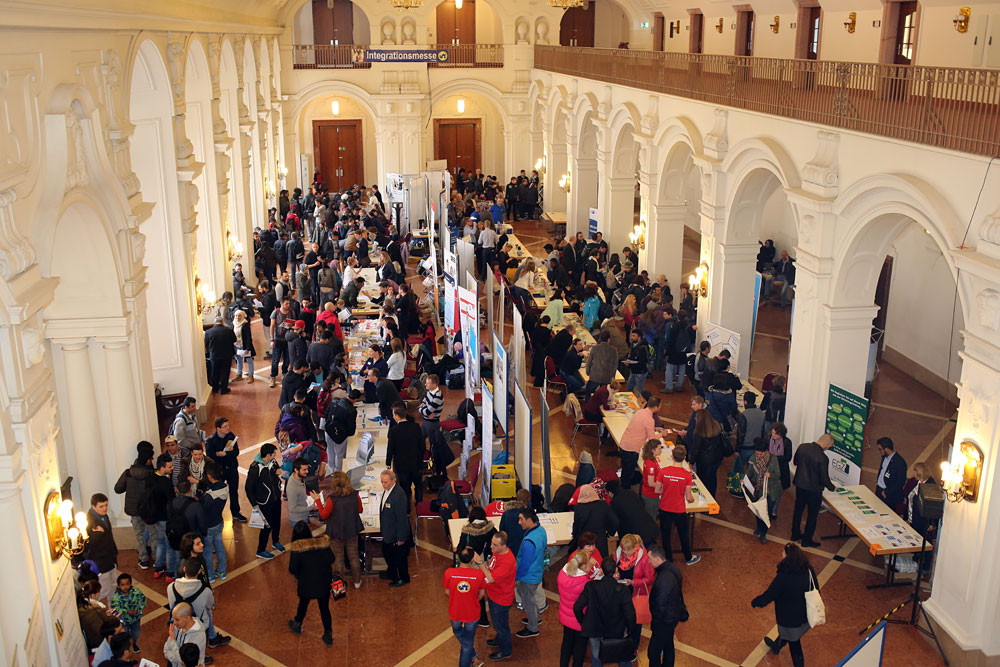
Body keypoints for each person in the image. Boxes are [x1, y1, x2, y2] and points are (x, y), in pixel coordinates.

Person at [751, 543, 818, 666]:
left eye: (783, 553)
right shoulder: (808, 569)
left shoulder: (784, 576)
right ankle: (777, 645)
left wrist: (756, 602)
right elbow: (816, 588)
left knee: (794, 643)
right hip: (805, 614)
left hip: (789, 618)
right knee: (789, 635)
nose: (781, 555)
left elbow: (770, 594)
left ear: (788, 557)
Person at [573, 557, 637, 667]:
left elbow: (577, 607)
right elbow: (630, 614)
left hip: (595, 629)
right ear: (616, 570)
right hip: (617, 629)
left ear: (601, 570)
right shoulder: (622, 590)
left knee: (596, 658)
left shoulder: (591, 586)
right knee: (622, 656)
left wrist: (583, 622)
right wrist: (630, 629)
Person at [286, 521, 334, 646]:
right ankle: (328, 633)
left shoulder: (297, 549)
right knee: (324, 609)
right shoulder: (322, 543)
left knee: (303, 604)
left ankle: (298, 623)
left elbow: (292, 569)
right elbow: (332, 559)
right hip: (323, 582)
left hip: (306, 584)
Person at [314, 471, 364, 589]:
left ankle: (339, 584)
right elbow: (360, 510)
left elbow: (323, 515)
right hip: (352, 531)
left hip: (336, 533)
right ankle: (357, 581)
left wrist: (317, 500)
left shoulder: (332, 499)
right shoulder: (355, 495)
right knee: (353, 557)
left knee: (338, 559)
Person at [167, 558, 230, 650]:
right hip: (198, 625)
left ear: (184, 569)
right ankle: (204, 653)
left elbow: (171, 605)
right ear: (199, 571)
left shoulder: (170, 587)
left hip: (178, 623)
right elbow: (209, 605)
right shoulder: (205, 591)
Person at [442, 546, 489, 667]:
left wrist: (457, 599)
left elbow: (447, 592)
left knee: (457, 631)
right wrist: (472, 600)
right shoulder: (478, 574)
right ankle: (472, 657)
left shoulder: (449, 573)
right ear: (472, 559)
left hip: (455, 612)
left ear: (458, 557)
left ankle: (473, 658)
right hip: (472, 613)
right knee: (467, 644)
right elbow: (482, 593)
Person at [655, 445, 701, 565]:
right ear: (684, 457)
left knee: (665, 534)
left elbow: (657, 490)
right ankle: (688, 557)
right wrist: (692, 501)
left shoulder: (663, 471)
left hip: (664, 507)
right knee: (683, 534)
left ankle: (669, 559)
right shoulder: (687, 475)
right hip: (679, 509)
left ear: (672, 456)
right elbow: (689, 496)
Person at [475, 532, 516, 661]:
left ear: (503, 546)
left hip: (501, 598)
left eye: (495, 544)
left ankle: (505, 650)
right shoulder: (497, 552)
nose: (491, 546)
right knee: (497, 622)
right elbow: (491, 568)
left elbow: (491, 578)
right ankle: (499, 639)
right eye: (492, 543)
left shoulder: (507, 561)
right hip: (494, 595)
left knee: (501, 626)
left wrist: (480, 563)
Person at [114, 441, 155, 570]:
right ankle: (155, 558)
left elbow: (118, 489)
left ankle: (143, 559)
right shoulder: (151, 475)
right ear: (148, 460)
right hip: (148, 510)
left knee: (139, 535)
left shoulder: (128, 473)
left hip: (134, 510)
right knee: (153, 534)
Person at [790, 434, 837, 548]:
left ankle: (795, 534)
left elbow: (795, 462)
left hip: (800, 485)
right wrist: (832, 488)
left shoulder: (802, 447)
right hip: (814, 490)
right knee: (812, 515)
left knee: (798, 510)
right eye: (829, 446)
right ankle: (807, 540)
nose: (828, 448)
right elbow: (824, 478)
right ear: (825, 444)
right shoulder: (823, 457)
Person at [645, 545, 686, 667]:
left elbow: (660, 605)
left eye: (650, 558)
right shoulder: (674, 568)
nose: (648, 561)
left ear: (657, 558)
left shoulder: (663, 579)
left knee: (653, 652)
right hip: (673, 615)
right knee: (668, 645)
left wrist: (655, 623)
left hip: (664, 620)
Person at [245, 443, 283, 559]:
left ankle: (275, 541)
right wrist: (254, 504)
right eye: (273, 454)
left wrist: (278, 471)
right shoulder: (255, 468)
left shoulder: (273, 462)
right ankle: (260, 550)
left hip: (276, 499)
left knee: (277, 522)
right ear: (267, 455)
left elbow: (276, 470)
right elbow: (248, 488)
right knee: (266, 527)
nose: (275, 456)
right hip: (264, 503)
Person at [618, 396, 664, 490]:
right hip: (632, 448)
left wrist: (654, 429)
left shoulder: (640, 411)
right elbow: (652, 439)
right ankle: (625, 492)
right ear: (656, 407)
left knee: (625, 470)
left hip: (624, 443)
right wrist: (661, 434)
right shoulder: (650, 420)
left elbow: (641, 426)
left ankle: (623, 487)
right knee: (628, 473)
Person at [204, 417, 245, 523]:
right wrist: (220, 455)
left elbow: (236, 452)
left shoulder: (231, 436)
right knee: (217, 492)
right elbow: (210, 456)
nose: (228, 428)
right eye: (225, 426)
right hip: (219, 471)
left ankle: (236, 512)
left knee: (234, 492)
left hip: (231, 468)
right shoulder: (211, 440)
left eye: (228, 426)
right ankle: (216, 514)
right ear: (218, 428)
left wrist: (225, 454)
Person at [514, 508, 546, 638]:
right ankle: (536, 618)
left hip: (528, 577)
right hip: (537, 571)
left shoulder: (528, 542)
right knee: (531, 599)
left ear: (529, 520)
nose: (519, 522)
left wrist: (516, 577)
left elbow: (524, 565)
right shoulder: (540, 530)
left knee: (528, 601)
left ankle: (533, 628)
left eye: (521, 519)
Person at [386, 402, 425, 507]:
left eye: (394, 415)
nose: (393, 417)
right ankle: (419, 504)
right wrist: (420, 458)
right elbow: (422, 445)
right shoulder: (416, 427)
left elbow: (391, 448)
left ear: (397, 416)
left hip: (402, 465)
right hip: (416, 463)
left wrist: (388, 462)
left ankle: (407, 509)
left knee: (405, 488)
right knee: (418, 485)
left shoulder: (394, 431)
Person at [557, 551, 592, 667]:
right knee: (580, 647)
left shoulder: (562, 574)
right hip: (579, 619)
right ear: (583, 566)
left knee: (566, 643)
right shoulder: (584, 583)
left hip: (566, 616)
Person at [379, 469, 412, 587]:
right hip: (389, 531)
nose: (383, 485)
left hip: (395, 534)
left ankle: (402, 578)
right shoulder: (389, 490)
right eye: (382, 482)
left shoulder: (398, 495)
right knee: (388, 554)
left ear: (394, 481)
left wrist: (401, 538)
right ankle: (391, 573)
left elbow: (402, 519)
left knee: (398, 558)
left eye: (385, 482)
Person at [745, 438, 782, 543]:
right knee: (758, 511)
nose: (759, 456)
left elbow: (778, 475)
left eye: (761, 454)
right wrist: (745, 479)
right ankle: (759, 528)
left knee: (766, 512)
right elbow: (750, 472)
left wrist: (771, 475)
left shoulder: (773, 459)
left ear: (765, 452)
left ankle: (764, 532)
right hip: (758, 490)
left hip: (770, 491)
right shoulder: (753, 458)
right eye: (757, 453)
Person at [687, 409, 727, 500]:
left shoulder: (699, 432)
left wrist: (691, 462)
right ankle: (712, 497)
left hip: (704, 461)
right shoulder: (716, 425)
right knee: (713, 478)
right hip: (716, 459)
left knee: (702, 481)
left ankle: (703, 498)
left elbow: (695, 449)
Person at [606, 480, 659, 548]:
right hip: (650, 527)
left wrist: (610, 533)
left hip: (637, 535)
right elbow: (642, 505)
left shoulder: (615, 502)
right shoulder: (631, 493)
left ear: (610, 493)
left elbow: (615, 521)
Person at [86, 493, 119, 603]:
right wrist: (98, 534)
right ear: (93, 506)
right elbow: (88, 544)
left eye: (106, 505)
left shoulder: (104, 516)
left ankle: (113, 611)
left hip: (110, 557)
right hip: (100, 561)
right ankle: (90, 606)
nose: (105, 508)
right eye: (101, 506)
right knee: (104, 589)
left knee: (113, 586)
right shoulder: (88, 521)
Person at [571, 484, 619, 557]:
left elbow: (577, 525)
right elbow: (615, 521)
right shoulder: (603, 505)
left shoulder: (578, 507)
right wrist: (610, 533)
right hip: (600, 541)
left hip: (585, 542)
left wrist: (575, 538)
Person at [110, 573, 146, 653]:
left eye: (127, 584)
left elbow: (142, 600)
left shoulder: (136, 592)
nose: (125, 587)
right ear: (118, 586)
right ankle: (126, 646)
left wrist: (137, 609)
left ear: (130, 584)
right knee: (124, 634)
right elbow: (115, 608)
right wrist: (126, 612)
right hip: (123, 621)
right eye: (122, 585)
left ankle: (133, 643)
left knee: (136, 633)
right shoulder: (116, 597)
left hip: (135, 618)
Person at [163, 603, 207, 667]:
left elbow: (185, 661)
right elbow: (166, 650)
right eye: (173, 619)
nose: (174, 623)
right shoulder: (178, 626)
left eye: (177, 619)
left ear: (187, 618)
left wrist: (172, 641)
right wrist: (178, 659)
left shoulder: (199, 636)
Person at [734, 392, 766, 479]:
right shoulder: (762, 414)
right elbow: (763, 432)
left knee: (738, 470)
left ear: (745, 402)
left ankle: (737, 489)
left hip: (744, 447)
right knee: (752, 471)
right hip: (755, 447)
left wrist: (737, 449)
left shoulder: (743, 415)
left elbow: (741, 434)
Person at [204, 317, 237, 394]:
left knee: (215, 372)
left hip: (214, 355)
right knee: (225, 372)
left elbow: (206, 344)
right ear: (222, 322)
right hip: (227, 355)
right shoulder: (228, 330)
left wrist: (210, 351)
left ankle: (215, 389)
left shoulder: (208, 332)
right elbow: (234, 340)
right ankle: (223, 389)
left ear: (215, 323)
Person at [875, 436, 908, 512]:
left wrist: (886, 492)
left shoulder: (900, 462)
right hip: (879, 489)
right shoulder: (884, 457)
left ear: (886, 449)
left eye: (880, 449)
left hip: (888, 495)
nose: (879, 451)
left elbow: (900, 482)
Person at [640, 439, 663, 520]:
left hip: (651, 493)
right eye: (659, 449)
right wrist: (663, 488)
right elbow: (651, 483)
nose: (661, 451)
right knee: (651, 518)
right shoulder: (650, 464)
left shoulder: (652, 459)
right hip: (651, 495)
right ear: (653, 450)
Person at [286, 457, 311, 529]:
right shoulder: (292, 487)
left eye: (307, 469)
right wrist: (310, 508)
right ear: (296, 470)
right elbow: (292, 508)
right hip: (297, 521)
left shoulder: (300, 478)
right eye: (304, 470)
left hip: (304, 516)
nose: (307, 471)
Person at [623, 329, 649, 395]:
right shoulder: (635, 345)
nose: (631, 338)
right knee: (629, 385)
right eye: (631, 335)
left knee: (639, 390)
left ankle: (640, 403)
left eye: (634, 336)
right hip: (634, 371)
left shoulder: (642, 348)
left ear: (639, 337)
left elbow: (642, 362)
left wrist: (630, 363)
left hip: (640, 372)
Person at [418, 373, 444, 439]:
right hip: (426, 420)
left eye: (427, 383)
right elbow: (424, 401)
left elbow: (427, 412)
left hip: (432, 424)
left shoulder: (438, 397)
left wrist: (420, 409)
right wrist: (425, 409)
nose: (425, 384)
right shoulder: (430, 391)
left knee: (433, 443)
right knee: (420, 438)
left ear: (434, 385)